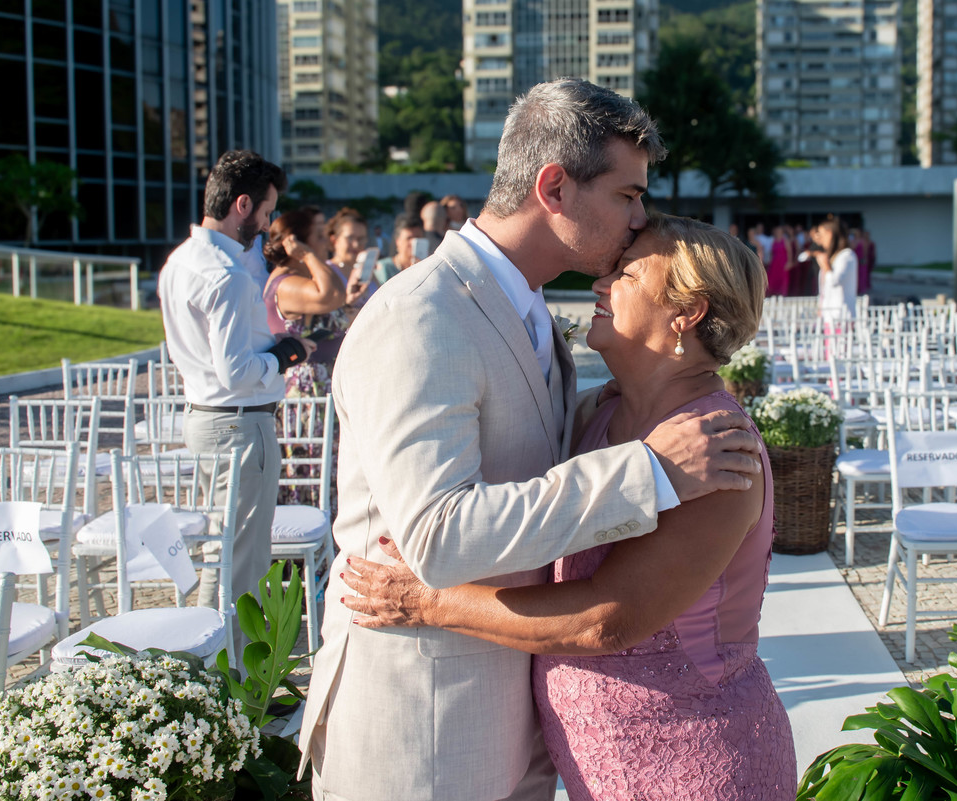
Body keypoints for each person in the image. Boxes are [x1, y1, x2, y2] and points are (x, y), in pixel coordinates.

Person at [299, 78, 764, 801]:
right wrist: (648, 470)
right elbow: (440, 537)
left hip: (523, 730)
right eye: (626, 194)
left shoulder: (534, 314)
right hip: (422, 731)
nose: (639, 218)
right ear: (554, 187)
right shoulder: (420, 317)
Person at [341, 213, 797, 800]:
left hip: (695, 762)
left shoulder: (717, 452)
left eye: (626, 274)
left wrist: (426, 599)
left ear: (686, 313)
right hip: (595, 764)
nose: (600, 285)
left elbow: (605, 620)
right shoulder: (601, 413)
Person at [157, 149, 315, 656]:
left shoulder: (180, 260)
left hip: (204, 419)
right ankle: (231, 684)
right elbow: (238, 372)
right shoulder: (225, 275)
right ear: (242, 205)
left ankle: (208, 672)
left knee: (221, 551)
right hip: (240, 426)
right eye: (267, 211)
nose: (267, 224)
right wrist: (285, 355)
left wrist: (269, 353)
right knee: (242, 562)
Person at [262, 208, 349, 389]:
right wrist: (308, 255)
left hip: (319, 385)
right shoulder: (285, 283)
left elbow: (338, 296)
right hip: (305, 391)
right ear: (298, 245)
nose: (326, 242)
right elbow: (331, 295)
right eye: (318, 237)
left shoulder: (300, 279)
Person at [324, 206, 374, 310]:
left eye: (361, 239)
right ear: (334, 240)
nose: (356, 244)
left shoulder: (367, 272)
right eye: (350, 238)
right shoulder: (327, 271)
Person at [811, 214, 858, 323]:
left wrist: (826, 266)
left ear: (830, 234)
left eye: (822, 235)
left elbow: (834, 281)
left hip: (841, 316)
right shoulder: (834, 257)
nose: (820, 240)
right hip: (829, 315)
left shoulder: (847, 256)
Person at [373, 213, 424, 284]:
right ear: (398, 241)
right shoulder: (383, 268)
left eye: (418, 238)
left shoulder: (427, 268)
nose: (414, 243)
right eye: (409, 238)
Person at [767, 224, 792, 298]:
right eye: (777, 231)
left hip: (783, 262)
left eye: (779, 231)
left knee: (783, 279)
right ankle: (773, 295)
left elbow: (789, 252)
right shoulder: (773, 241)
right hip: (775, 263)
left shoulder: (785, 241)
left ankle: (783, 295)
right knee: (772, 279)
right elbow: (772, 253)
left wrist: (789, 262)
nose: (778, 233)